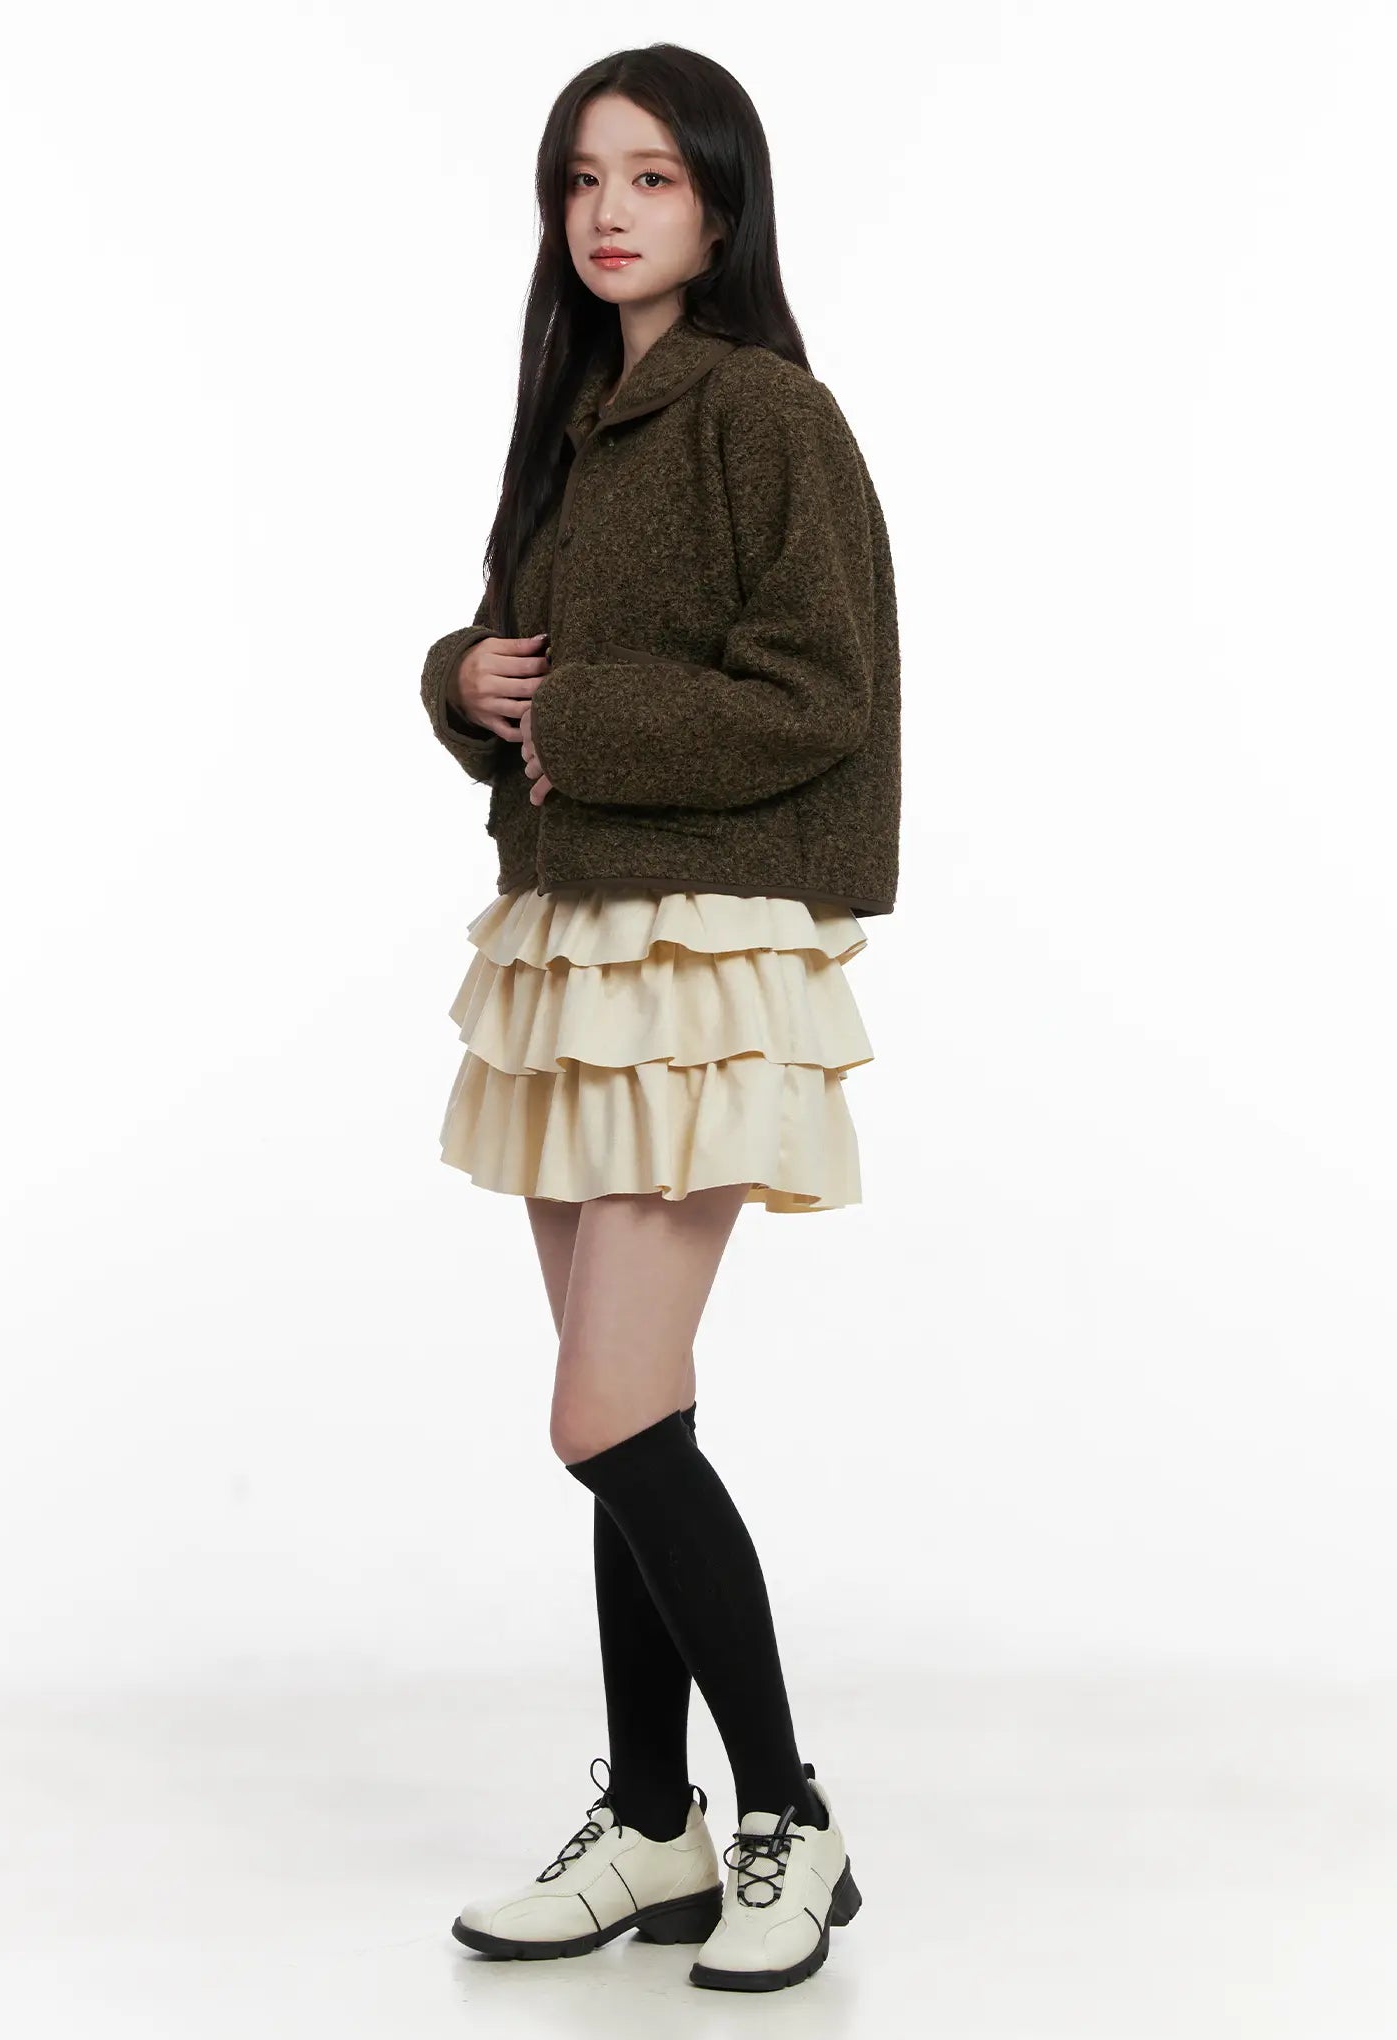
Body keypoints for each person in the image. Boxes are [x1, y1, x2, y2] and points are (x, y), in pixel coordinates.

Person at [419, 43, 899, 1994]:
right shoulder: (576, 419)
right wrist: (464, 678)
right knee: (635, 1412)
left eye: (652, 178)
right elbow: (525, 678)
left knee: (606, 1412)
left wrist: (583, 719)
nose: (608, 212)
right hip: (578, 946)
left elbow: (822, 689)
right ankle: (650, 1829)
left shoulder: (767, 413)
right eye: (581, 180)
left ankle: (786, 1811)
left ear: (721, 204)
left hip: (701, 955)